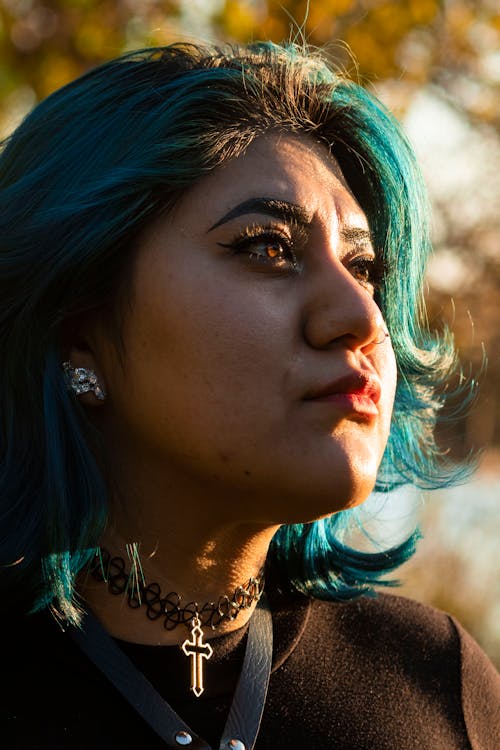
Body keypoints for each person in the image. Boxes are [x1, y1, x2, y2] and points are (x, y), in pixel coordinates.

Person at [0, 40, 498, 750]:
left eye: (362, 266)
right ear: (76, 328)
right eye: (267, 247)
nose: (359, 318)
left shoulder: (435, 681)